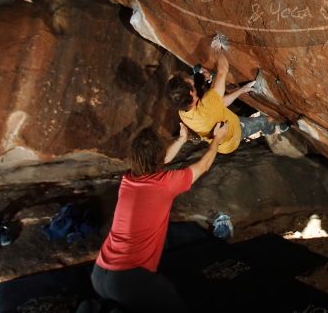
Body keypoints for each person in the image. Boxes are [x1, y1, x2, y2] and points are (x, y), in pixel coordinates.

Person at [90, 122, 227, 312]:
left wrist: (181, 140)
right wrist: (217, 140)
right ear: (158, 157)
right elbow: (203, 166)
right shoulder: (164, 184)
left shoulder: (128, 179)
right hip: (127, 280)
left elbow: (157, 162)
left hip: (99, 274)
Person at [166, 49, 288, 154]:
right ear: (191, 93)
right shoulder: (207, 105)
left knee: (211, 91)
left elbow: (219, 104)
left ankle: (207, 77)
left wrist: (241, 90)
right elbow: (223, 70)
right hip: (234, 134)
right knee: (268, 119)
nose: (191, 81)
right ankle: (272, 129)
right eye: (190, 83)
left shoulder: (182, 111)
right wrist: (219, 49)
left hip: (220, 128)